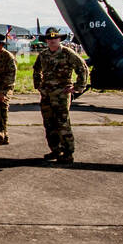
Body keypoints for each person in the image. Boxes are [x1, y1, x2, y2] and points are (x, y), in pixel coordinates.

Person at [32, 27, 88, 163]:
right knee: (49, 124)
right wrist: (38, 85)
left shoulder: (67, 53)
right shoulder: (43, 55)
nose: (52, 41)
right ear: (46, 40)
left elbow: (82, 68)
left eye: (55, 38)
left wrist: (78, 87)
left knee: (62, 123)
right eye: (49, 39)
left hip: (62, 94)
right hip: (46, 94)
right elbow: (36, 70)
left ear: (59, 39)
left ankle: (68, 153)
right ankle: (55, 150)